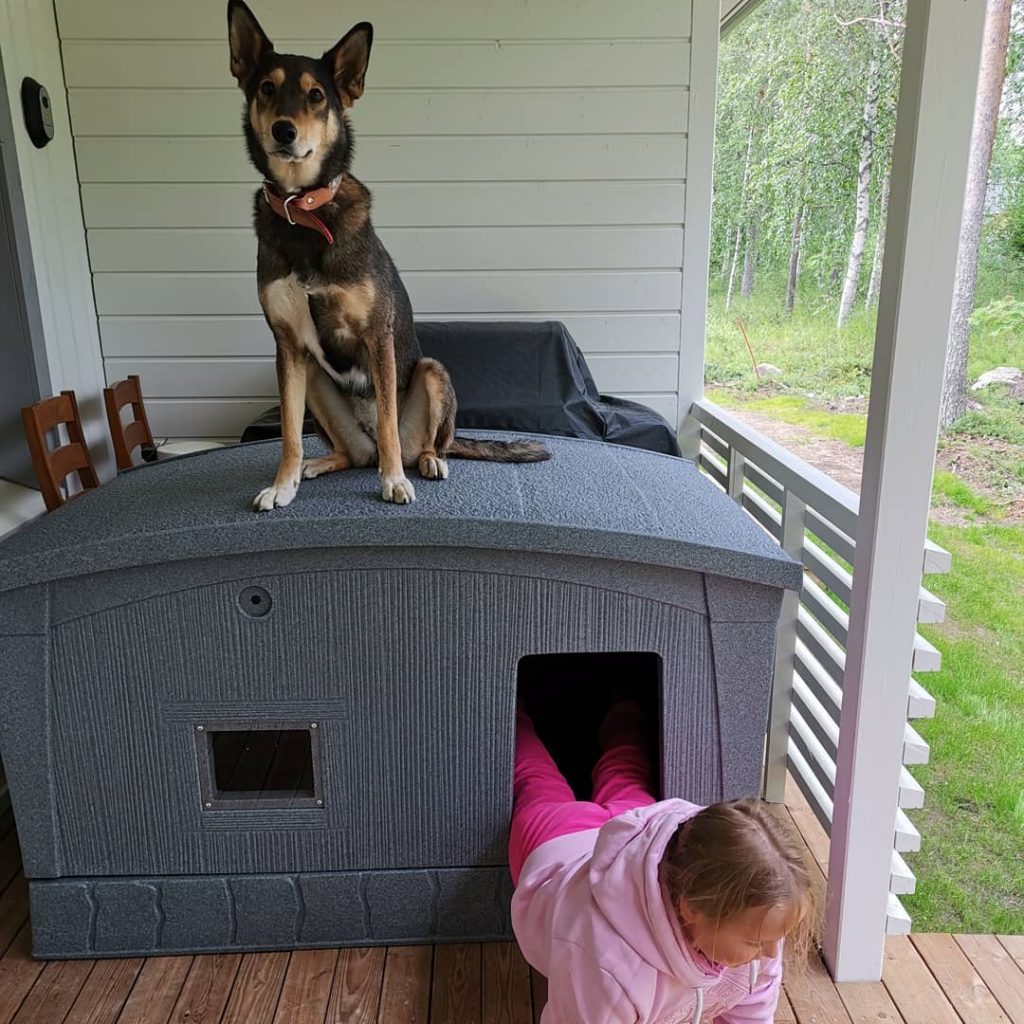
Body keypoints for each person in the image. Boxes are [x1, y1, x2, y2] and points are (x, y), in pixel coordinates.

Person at [510, 699, 818, 1024]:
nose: (771, 953)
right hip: (560, 844)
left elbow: (752, 1014)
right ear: (692, 909)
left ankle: (623, 704)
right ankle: (511, 714)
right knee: (535, 779)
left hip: (634, 833)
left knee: (626, 771)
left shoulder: (762, 920)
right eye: (755, 942)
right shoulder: (605, 965)